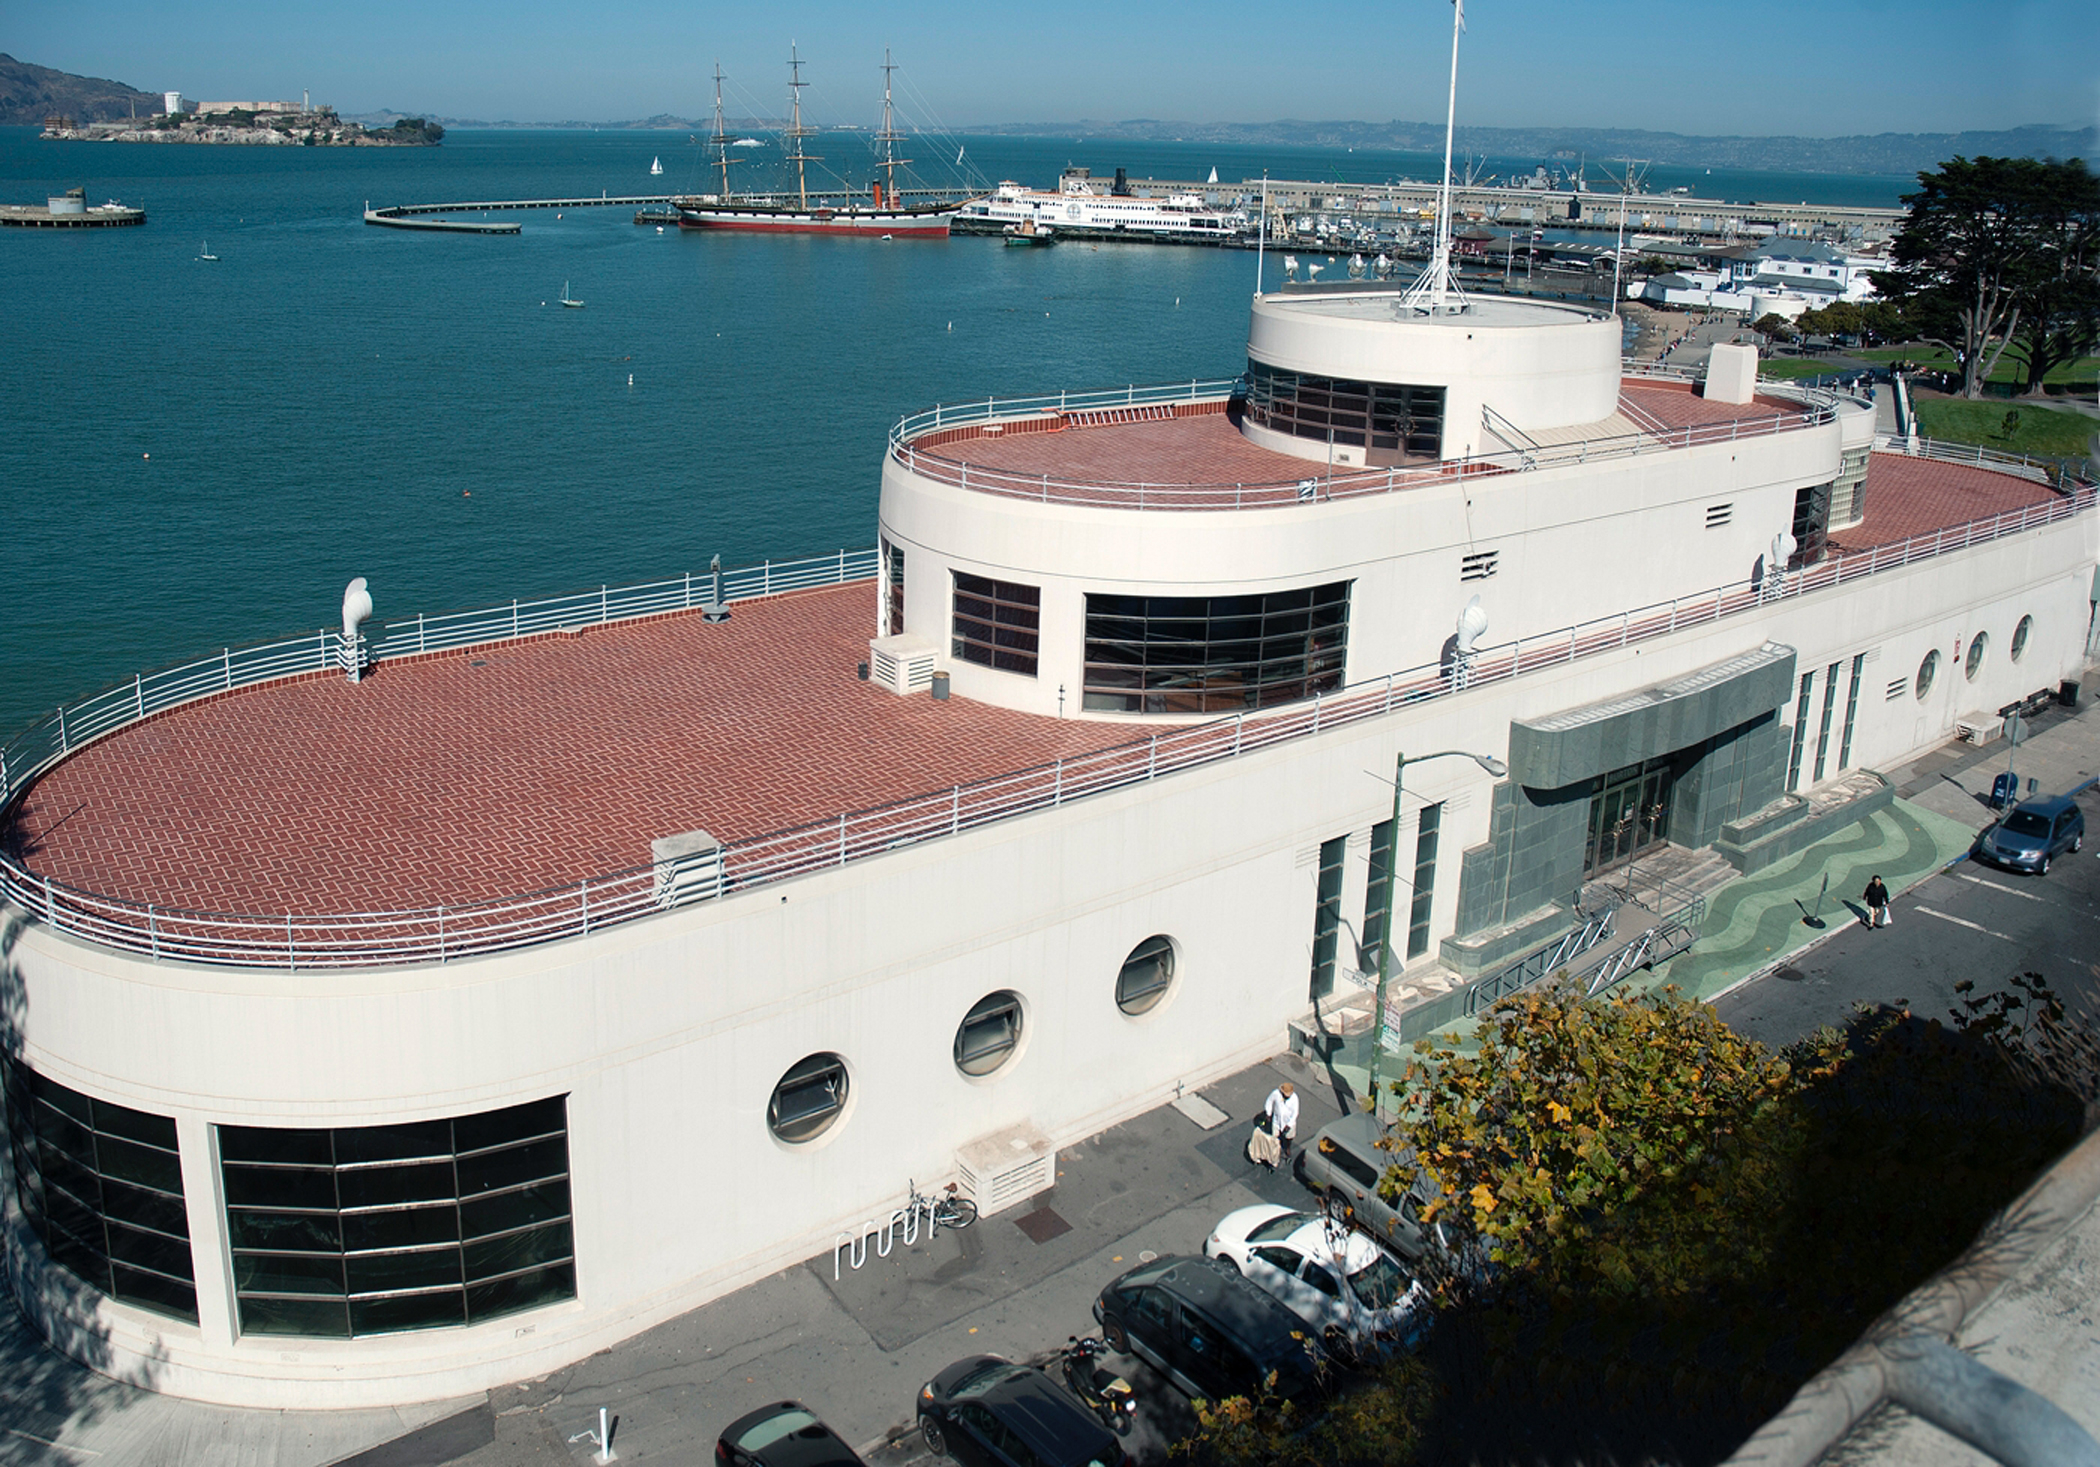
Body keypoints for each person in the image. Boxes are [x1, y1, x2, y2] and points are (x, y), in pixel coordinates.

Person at [1263, 1081, 1299, 1162]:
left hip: (1288, 1123)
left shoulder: (1294, 1098)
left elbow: (1295, 1113)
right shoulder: (1276, 1093)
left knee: (1289, 1138)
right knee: (1274, 1138)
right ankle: (1274, 1153)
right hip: (1277, 1121)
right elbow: (1269, 1101)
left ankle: (1287, 1148)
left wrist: (1289, 1125)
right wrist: (1268, 1113)